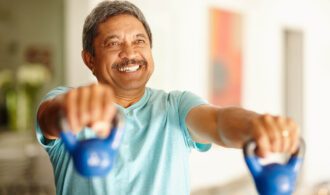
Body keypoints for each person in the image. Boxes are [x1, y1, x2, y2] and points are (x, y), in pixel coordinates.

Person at [36, 1, 300, 195]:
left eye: (139, 41)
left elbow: (219, 122)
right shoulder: (67, 101)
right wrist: (71, 111)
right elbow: (52, 116)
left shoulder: (176, 106)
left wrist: (256, 126)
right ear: (89, 59)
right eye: (113, 43)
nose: (130, 53)